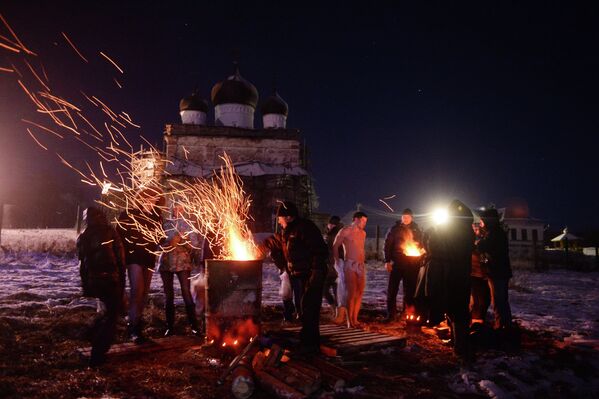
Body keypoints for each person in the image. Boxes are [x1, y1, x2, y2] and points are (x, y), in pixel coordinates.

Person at [261, 201, 328, 354]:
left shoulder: (305, 228)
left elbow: (320, 250)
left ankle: (311, 345)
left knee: (310, 308)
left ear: (289, 217)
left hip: (312, 274)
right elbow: (273, 241)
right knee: (303, 308)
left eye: (280, 217)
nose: (278, 220)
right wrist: (256, 248)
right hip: (300, 275)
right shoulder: (287, 232)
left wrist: (316, 272)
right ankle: (306, 340)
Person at [425, 200, 475, 362]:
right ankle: (459, 343)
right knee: (460, 308)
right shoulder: (468, 232)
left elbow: (434, 248)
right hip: (463, 274)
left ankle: (460, 348)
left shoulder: (447, 231)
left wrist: (432, 232)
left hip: (450, 275)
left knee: (455, 308)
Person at [77, 206, 126, 366]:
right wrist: (122, 283)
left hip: (95, 280)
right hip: (110, 279)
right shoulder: (110, 232)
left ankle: (90, 332)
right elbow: (120, 259)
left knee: (109, 312)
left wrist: (86, 285)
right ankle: (97, 353)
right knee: (112, 316)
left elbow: (82, 264)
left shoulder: (83, 236)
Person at [117, 192, 162, 343]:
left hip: (148, 259)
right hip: (134, 258)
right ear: (142, 198)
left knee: (144, 294)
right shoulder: (128, 214)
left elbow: (158, 238)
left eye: (155, 200)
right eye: (150, 199)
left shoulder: (155, 216)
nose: (152, 202)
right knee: (137, 291)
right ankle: (132, 329)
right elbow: (120, 236)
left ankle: (137, 327)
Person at [159, 203, 202, 337]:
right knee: (169, 295)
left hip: (182, 263)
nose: (177, 210)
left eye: (180, 208)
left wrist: (185, 240)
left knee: (186, 293)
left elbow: (194, 246)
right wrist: (169, 242)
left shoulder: (188, 225)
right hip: (166, 264)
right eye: (175, 208)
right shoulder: (165, 224)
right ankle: (170, 327)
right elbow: (157, 243)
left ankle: (194, 326)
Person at [383, 208, 423, 322]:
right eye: (404, 216)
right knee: (392, 290)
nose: (405, 219)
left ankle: (407, 314)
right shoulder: (395, 229)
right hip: (397, 263)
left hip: (411, 265)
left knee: (409, 291)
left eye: (408, 217)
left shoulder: (417, 230)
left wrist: (421, 250)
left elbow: (421, 244)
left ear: (412, 218)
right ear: (401, 217)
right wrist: (387, 261)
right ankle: (391, 315)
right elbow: (387, 245)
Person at [477, 208, 513, 331]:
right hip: (500, 271)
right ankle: (506, 325)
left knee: (498, 301)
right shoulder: (496, 232)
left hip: (498, 272)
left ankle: (501, 327)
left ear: (488, 221)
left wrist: (477, 240)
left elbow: (482, 246)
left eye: (482, 221)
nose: (481, 224)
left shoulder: (494, 233)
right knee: (501, 300)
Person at [332, 211, 368, 328]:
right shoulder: (346, 230)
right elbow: (335, 245)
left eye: (365, 222)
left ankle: (355, 319)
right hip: (350, 264)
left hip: (360, 265)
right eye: (362, 221)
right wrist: (336, 260)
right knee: (351, 292)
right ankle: (349, 321)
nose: (364, 224)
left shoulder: (363, 233)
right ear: (356, 219)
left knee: (360, 292)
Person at [470, 221, 490, 325]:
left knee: (485, 299)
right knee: (476, 299)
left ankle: (480, 319)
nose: (476, 230)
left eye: (478, 228)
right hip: (473, 274)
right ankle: (475, 320)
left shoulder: (484, 240)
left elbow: (486, 255)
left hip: (483, 274)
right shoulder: (470, 240)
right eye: (474, 229)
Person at [324, 216, 343, 319]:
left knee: (333, 291)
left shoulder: (334, 235)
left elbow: (332, 251)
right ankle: (336, 310)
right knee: (331, 291)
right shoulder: (330, 234)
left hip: (334, 267)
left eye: (330, 224)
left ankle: (338, 313)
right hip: (332, 267)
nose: (328, 225)